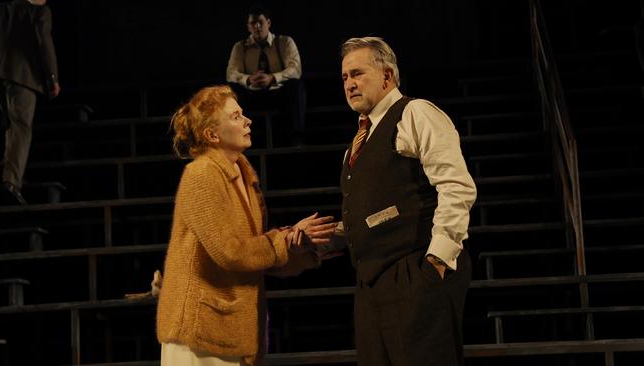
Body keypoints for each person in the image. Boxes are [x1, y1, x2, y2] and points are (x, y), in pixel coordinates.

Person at [156, 85, 337, 366]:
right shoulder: (201, 173)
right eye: (236, 116)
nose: (247, 120)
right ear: (212, 135)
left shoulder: (243, 173)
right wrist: (284, 239)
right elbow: (230, 252)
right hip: (200, 331)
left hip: (230, 329)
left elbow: (255, 253)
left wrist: (301, 246)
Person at [336, 37, 477, 366]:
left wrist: (437, 261)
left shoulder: (415, 112)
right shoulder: (358, 141)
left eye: (357, 74)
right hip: (372, 285)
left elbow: (456, 185)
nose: (349, 84)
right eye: (344, 78)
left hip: (414, 272)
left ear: (386, 76)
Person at [0, 0, 60, 205]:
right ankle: (11, 181)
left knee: (10, 126)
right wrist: (52, 78)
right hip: (23, 75)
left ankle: (10, 171)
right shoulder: (39, 11)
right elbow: (44, 42)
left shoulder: (3, 8)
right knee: (21, 127)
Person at [226, 4, 306, 146]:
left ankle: (296, 138)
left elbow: (296, 69)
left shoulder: (285, 42)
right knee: (232, 89)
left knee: (296, 86)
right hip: (252, 95)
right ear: (248, 26)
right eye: (253, 23)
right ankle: (239, 138)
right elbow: (231, 73)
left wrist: (273, 78)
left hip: (278, 93)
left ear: (268, 23)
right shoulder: (240, 47)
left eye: (260, 22)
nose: (257, 26)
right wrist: (248, 79)